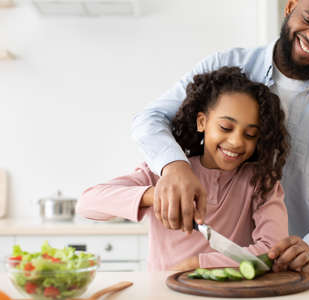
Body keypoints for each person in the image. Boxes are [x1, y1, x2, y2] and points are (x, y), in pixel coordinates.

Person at [131, 0, 309, 278]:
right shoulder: (225, 66)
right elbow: (149, 119)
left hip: (289, 272)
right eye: (308, 20)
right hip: (213, 270)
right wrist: (175, 167)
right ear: (290, 6)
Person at [77, 67, 290, 271]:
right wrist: (156, 195)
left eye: (250, 134)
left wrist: (200, 264)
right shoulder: (164, 173)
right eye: (226, 127)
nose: (236, 142)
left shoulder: (262, 182)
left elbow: (272, 250)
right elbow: (87, 203)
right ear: (202, 122)